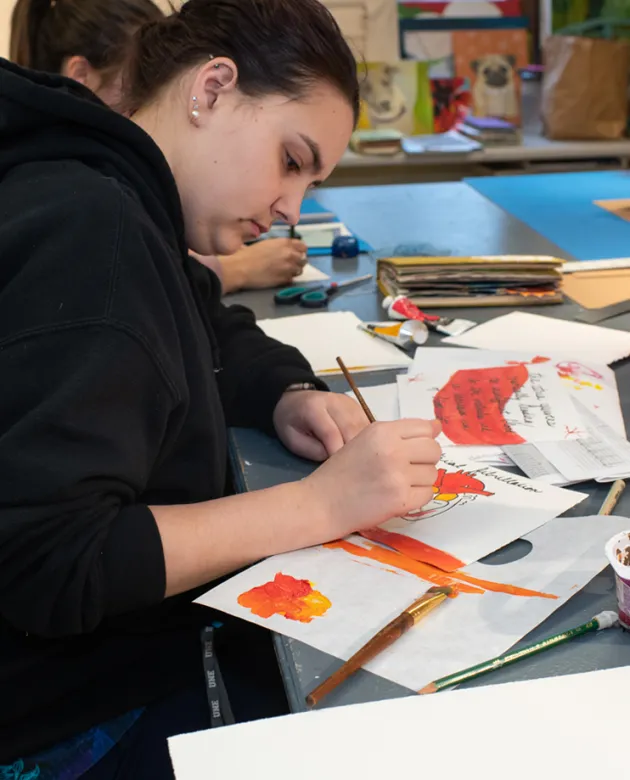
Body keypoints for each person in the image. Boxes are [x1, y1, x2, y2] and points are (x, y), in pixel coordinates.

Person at [0, 0, 442, 777]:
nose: (289, 210)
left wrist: (287, 392)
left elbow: (204, 321)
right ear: (212, 89)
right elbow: (49, 561)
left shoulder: (118, 186)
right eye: (291, 160)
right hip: (59, 724)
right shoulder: (94, 234)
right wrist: (318, 506)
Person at [9, 0, 309, 293]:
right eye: (138, 80)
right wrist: (237, 269)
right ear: (81, 77)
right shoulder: (88, 211)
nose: (151, 99)